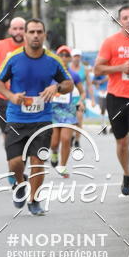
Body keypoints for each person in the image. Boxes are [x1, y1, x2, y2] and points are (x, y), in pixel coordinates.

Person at [0, 19, 73, 215]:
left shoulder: (53, 60)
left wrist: (56, 87)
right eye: (32, 32)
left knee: (38, 161)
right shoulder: (13, 58)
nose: (36, 35)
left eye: (39, 32)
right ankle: (21, 185)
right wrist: (12, 96)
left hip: (42, 118)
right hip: (16, 118)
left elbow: (69, 83)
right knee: (15, 163)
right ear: (26, 35)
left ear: (44, 35)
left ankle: (34, 199)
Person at [94, 4, 129, 200]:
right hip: (116, 98)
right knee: (122, 143)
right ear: (119, 21)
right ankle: (127, 172)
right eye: (125, 18)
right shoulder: (110, 43)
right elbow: (98, 70)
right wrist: (120, 68)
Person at [0, 16, 26, 184]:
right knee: (9, 134)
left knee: (23, 136)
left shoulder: (31, 47)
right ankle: (13, 168)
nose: (18, 32)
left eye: (21, 28)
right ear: (10, 30)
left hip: (24, 99)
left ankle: (16, 167)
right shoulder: (0, 45)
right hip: (2, 99)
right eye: (15, 28)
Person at [49, 46, 85, 178]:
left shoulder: (73, 75)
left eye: (66, 55)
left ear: (69, 58)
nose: (64, 57)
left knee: (66, 139)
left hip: (68, 112)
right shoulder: (50, 73)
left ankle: (63, 166)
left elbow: (82, 92)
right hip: (53, 112)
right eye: (61, 55)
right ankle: (54, 153)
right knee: (53, 143)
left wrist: (81, 101)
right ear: (57, 57)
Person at [69, 49, 94, 146]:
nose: (76, 58)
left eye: (78, 56)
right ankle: (70, 136)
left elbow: (89, 85)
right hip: (68, 99)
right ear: (72, 57)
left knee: (79, 119)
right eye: (75, 56)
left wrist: (92, 99)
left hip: (80, 98)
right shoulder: (67, 69)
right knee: (70, 121)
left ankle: (77, 140)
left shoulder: (85, 70)